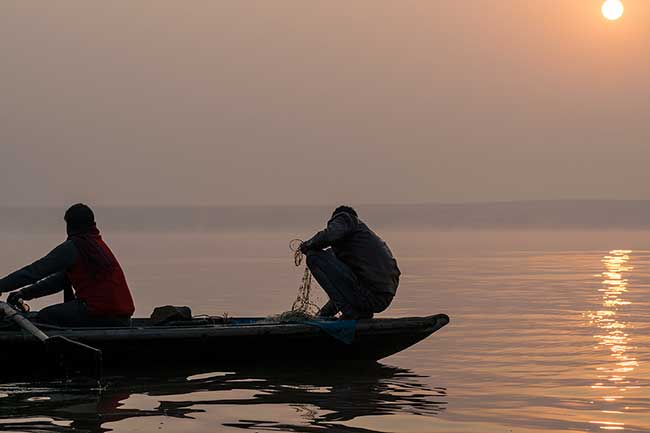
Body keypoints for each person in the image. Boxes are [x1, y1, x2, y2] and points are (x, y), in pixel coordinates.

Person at [0, 203, 135, 327]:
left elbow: (34, 272)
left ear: (69, 226)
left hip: (101, 313)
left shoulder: (73, 247)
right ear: (92, 223)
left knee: (45, 317)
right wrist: (24, 293)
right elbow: (60, 281)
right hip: (120, 316)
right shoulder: (96, 244)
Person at [300, 205, 400, 320]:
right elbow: (343, 289)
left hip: (370, 294)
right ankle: (357, 312)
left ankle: (351, 313)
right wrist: (322, 316)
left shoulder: (346, 218)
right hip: (381, 299)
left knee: (314, 256)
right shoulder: (358, 247)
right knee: (326, 259)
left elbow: (331, 234)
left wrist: (308, 245)